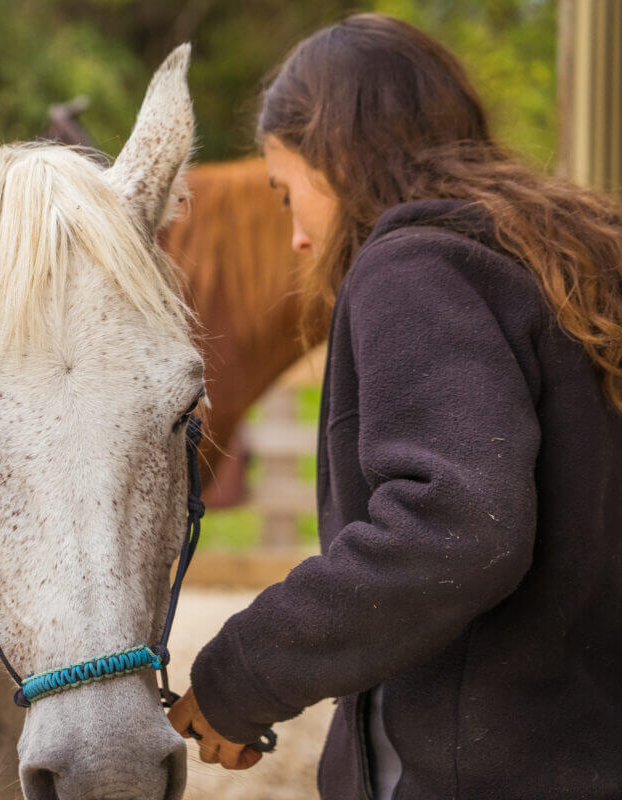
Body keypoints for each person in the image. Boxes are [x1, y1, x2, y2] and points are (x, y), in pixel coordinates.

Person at [167, 13, 622, 800]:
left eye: (285, 193)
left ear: (337, 155)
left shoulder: (413, 268)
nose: (299, 240)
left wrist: (244, 671)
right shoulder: (565, 260)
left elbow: (453, 526)